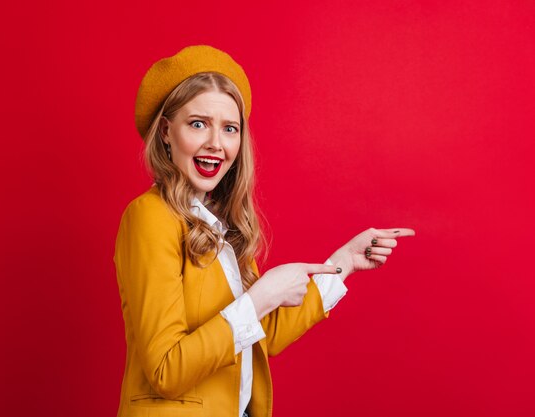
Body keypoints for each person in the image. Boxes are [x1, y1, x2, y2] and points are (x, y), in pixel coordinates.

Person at [114, 44, 415, 417]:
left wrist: (344, 262)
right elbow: (166, 370)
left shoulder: (217, 225)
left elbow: (262, 335)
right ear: (165, 132)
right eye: (197, 124)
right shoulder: (149, 216)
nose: (216, 144)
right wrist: (258, 299)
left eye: (229, 128)